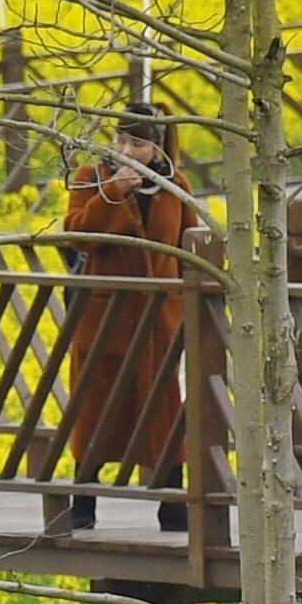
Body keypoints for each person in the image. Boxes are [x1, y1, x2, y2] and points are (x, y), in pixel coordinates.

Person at [55, 114, 194, 495]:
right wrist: (113, 193)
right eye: (120, 142)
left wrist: (184, 301)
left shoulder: (174, 186)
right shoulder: (91, 179)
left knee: (163, 407)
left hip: (159, 318)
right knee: (96, 405)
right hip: (105, 316)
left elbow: (189, 245)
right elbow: (78, 234)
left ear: (159, 148)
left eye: (138, 145)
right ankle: (83, 500)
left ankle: (172, 503)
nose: (125, 152)